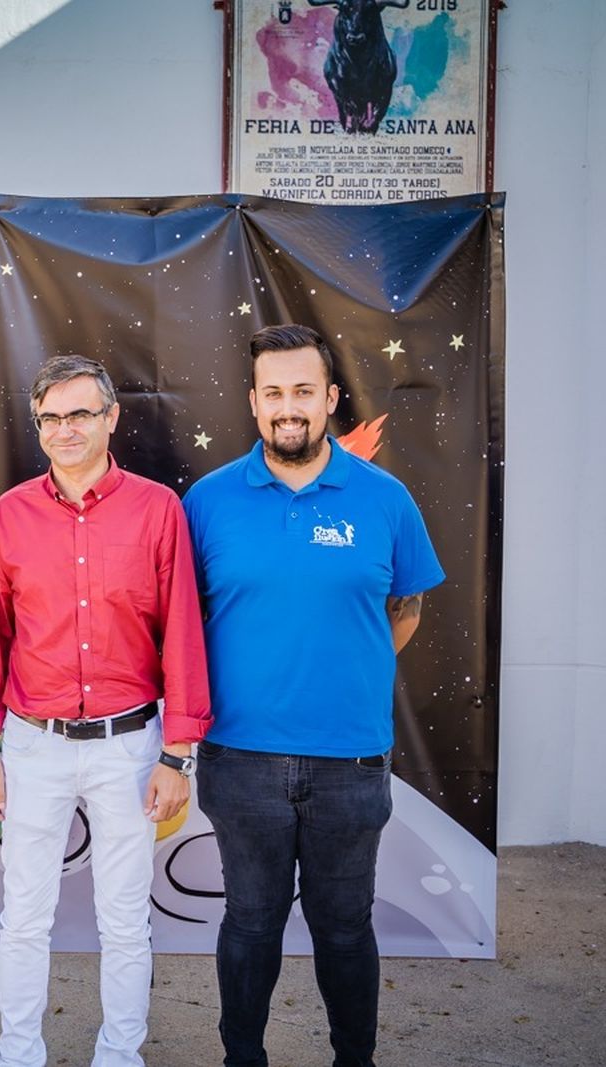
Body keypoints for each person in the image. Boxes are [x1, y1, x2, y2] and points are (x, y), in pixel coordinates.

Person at [182, 324, 446, 1067]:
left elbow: (408, 607)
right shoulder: (208, 501)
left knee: (343, 926)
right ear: (253, 402)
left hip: (350, 759)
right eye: (273, 392)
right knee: (251, 923)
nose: (288, 406)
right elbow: (183, 620)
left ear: (331, 398)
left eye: (303, 390)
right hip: (240, 757)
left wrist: (346, 665)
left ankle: (353, 1058)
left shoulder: (385, 499)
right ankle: (243, 1056)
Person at [0, 354, 212, 1067]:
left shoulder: (158, 508)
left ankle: (120, 1055)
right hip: (32, 742)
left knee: (126, 919)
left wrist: (177, 754)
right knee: (24, 918)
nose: (65, 428)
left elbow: (184, 637)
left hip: (130, 745)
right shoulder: (10, 514)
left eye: (80, 413)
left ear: (111, 418)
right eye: (51, 417)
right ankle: (19, 1055)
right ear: (36, 424)